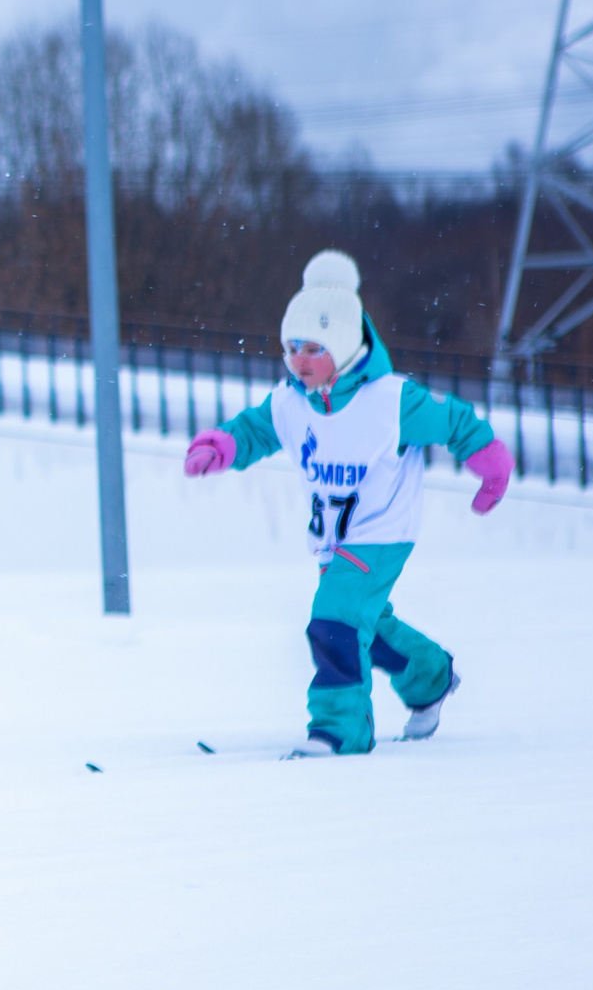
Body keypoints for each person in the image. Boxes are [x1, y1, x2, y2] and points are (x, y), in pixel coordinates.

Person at [182, 250, 513, 758]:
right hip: (332, 541)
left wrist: (490, 464)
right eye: (291, 347)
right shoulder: (290, 402)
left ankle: (340, 730)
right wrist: (220, 447)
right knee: (368, 627)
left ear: (344, 346)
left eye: (313, 348)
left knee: (334, 618)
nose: (299, 360)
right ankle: (431, 679)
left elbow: (455, 421)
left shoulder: (390, 401)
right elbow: (252, 431)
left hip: (383, 532)